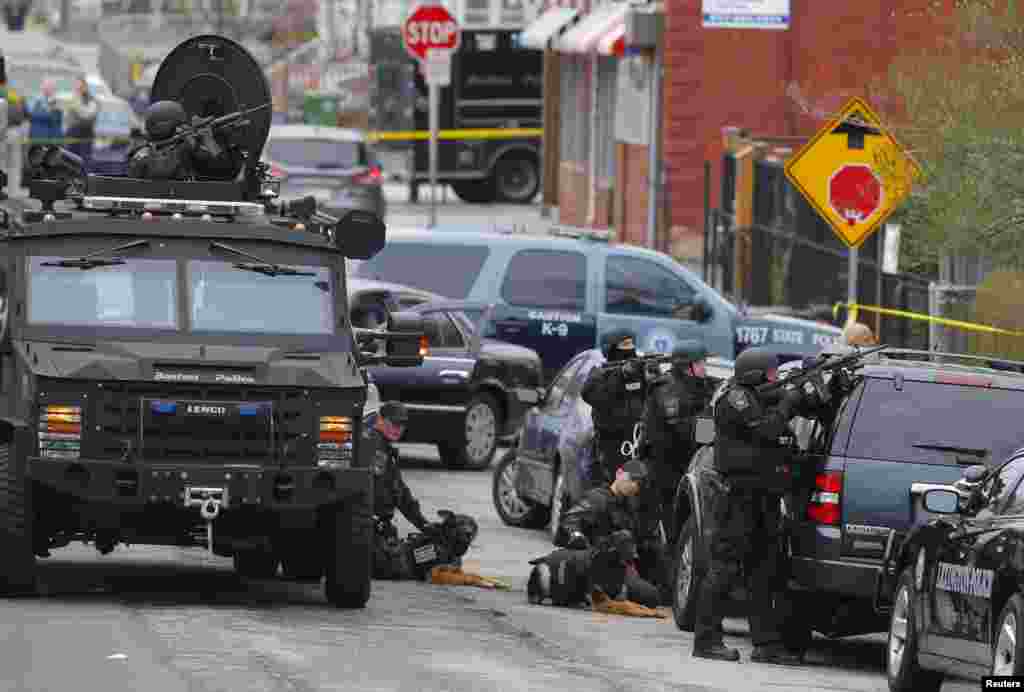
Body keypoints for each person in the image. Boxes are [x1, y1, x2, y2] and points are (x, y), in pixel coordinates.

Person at [692, 346, 814, 665]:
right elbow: (767, 429)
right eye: (771, 374)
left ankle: (765, 644)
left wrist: (802, 389)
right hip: (738, 497)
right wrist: (789, 401)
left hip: (763, 496)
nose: (775, 379)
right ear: (755, 374)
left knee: (763, 571)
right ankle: (706, 639)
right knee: (724, 567)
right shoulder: (736, 398)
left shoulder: (757, 395)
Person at [361, 401, 478, 580]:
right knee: (403, 565)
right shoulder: (374, 447)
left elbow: (401, 495)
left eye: (401, 425)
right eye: (393, 423)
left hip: (379, 531)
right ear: (380, 420)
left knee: (426, 552)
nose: (397, 429)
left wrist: (424, 525)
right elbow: (380, 493)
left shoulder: (384, 449)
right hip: (366, 530)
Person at [528, 460, 662, 609]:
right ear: (619, 474)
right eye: (632, 479)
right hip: (592, 562)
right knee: (647, 594)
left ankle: (612, 591)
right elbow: (570, 520)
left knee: (654, 595)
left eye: (638, 483)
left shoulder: (631, 509)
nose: (634, 485)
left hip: (617, 566)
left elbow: (638, 541)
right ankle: (603, 591)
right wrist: (577, 535)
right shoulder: (598, 498)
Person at [643, 341, 721, 532]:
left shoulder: (698, 383)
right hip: (667, 473)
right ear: (688, 367)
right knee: (672, 533)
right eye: (702, 363)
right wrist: (712, 408)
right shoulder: (666, 390)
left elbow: (715, 385)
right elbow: (699, 435)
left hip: (689, 467)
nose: (705, 367)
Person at [581, 330, 648, 488]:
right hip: (611, 449)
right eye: (625, 345)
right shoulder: (600, 375)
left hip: (638, 445)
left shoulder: (640, 373)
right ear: (611, 349)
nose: (630, 348)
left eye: (632, 344)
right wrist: (621, 374)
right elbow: (593, 395)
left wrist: (650, 376)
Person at [64, 76, 98, 171]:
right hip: (73, 134)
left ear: (85, 87)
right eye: (77, 86)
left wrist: (77, 104)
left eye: (80, 86)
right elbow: (67, 117)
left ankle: (85, 180)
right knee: (71, 160)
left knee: (85, 162)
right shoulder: (74, 99)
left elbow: (87, 115)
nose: (78, 88)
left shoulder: (91, 100)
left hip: (86, 135)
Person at [27, 79, 62, 153]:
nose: (47, 88)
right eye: (45, 86)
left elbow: (57, 122)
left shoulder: (56, 103)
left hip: (49, 141)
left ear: (53, 89)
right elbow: (30, 116)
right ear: (41, 87)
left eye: (50, 86)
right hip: (35, 139)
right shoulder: (35, 101)